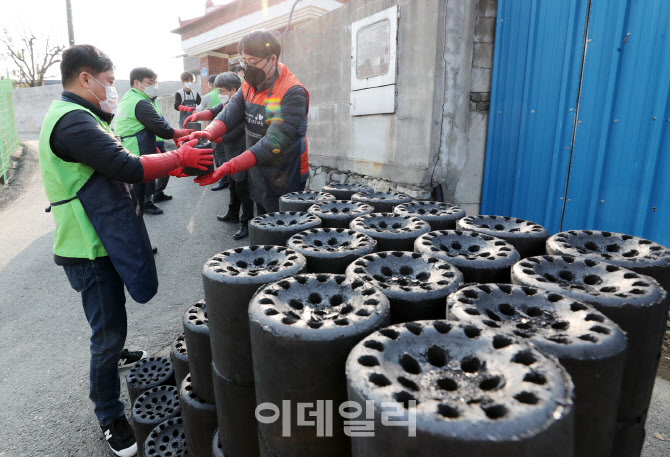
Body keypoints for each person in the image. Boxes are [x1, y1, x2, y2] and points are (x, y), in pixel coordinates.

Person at [38, 44, 212, 457]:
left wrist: (174, 153)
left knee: (112, 317)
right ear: (86, 78)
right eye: (108, 80)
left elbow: (123, 157)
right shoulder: (72, 123)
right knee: (106, 332)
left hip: (103, 237)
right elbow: (127, 167)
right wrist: (179, 157)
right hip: (88, 245)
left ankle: (116, 354)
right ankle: (110, 416)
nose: (111, 88)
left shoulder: (80, 116)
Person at [182, 30, 310, 213]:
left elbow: (274, 141)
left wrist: (230, 166)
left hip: (286, 169)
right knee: (262, 217)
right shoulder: (248, 84)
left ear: (272, 59)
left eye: (254, 62)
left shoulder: (292, 92)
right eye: (245, 61)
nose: (248, 67)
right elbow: (232, 110)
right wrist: (208, 132)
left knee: (283, 223)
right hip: (256, 163)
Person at [115, 67, 194, 215]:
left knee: (151, 176)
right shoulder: (140, 102)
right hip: (139, 146)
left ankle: (150, 199)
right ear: (137, 83)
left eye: (155, 82)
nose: (154, 86)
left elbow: (160, 120)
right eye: (150, 82)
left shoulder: (131, 98)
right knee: (142, 182)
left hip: (133, 145)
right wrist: (183, 133)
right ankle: (144, 205)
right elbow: (164, 130)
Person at [210, 72, 252, 239]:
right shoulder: (226, 105)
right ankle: (233, 213)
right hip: (230, 153)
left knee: (244, 190)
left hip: (242, 153)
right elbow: (215, 118)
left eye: (221, 91)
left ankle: (247, 222)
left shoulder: (242, 106)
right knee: (232, 185)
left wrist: (214, 136)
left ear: (234, 89)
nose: (219, 95)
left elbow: (235, 131)